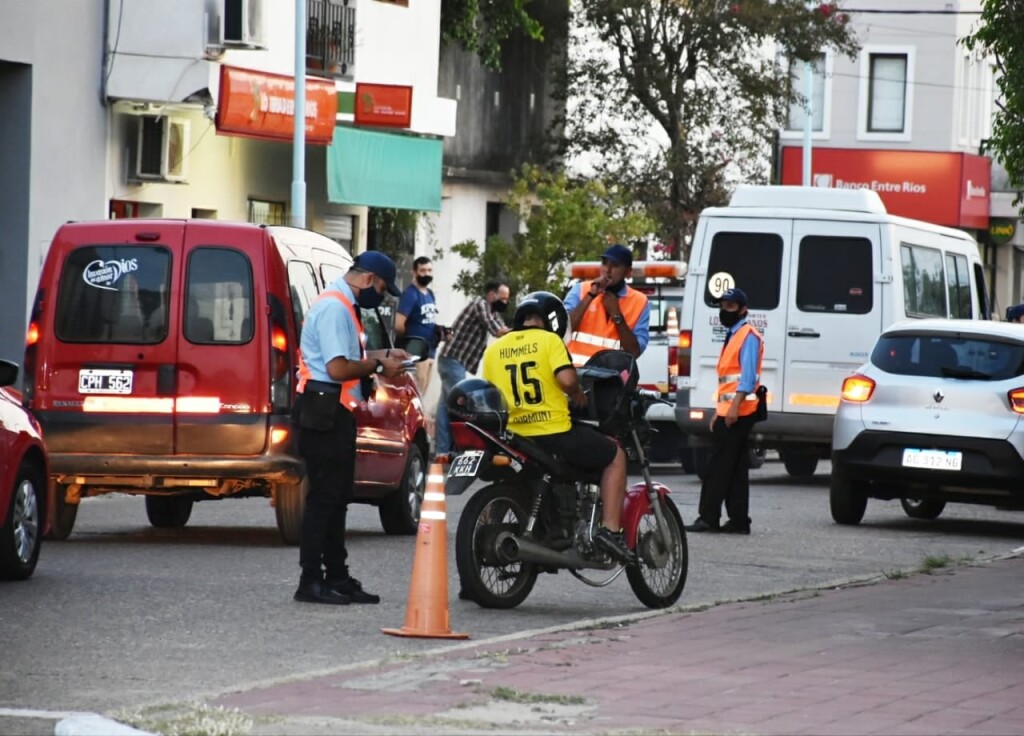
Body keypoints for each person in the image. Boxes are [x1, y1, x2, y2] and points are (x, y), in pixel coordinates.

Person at [291, 251, 411, 605]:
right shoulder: (334, 307)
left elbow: (347, 358)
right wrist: (379, 367)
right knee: (323, 500)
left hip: (334, 412)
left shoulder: (344, 304)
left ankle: (337, 577)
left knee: (337, 499)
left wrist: (384, 356)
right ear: (370, 279)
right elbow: (338, 369)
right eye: (383, 288)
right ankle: (310, 581)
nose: (381, 296)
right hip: (322, 412)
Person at [481, 292, 633, 562]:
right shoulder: (549, 340)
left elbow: (492, 392)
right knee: (616, 456)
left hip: (514, 435)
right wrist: (577, 393)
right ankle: (610, 531)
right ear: (555, 321)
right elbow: (566, 379)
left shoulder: (495, 348)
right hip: (553, 432)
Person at [685, 287, 764, 536]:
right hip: (733, 411)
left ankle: (708, 518)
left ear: (743, 310)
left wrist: (732, 409)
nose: (724, 311)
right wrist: (718, 412)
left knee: (717, 467)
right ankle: (739, 520)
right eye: (722, 306)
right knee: (736, 467)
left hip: (739, 412)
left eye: (730, 306)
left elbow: (747, 379)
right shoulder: (734, 334)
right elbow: (728, 383)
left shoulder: (747, 335)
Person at [433, 281, 512, 458]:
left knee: (446, 407)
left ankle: (442, 452)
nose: (505, 303)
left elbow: (501, 329)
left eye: (507, 299)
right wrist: (522, 331)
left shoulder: (493, 312)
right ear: (491, 295)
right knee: (460, 405)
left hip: (454, 361)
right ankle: (454, 451)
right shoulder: (480, 305)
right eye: (502, 298)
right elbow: (498, 331)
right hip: (452, 360)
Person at [564, 243, 651, 365]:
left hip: (612, 376)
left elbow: (634, 352)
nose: (607, 270)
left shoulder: (640, 302)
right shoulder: (581, 290)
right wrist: (590, 296)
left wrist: (616, 315)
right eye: (604, 263)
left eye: (615, 265)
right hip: (576, 373)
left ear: (628, 272)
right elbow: (563, 330)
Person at [395, 256, 440, 394]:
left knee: (423, 391)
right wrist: (409, 342)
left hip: (430, 349)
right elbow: (398, 324)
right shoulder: (410, 294)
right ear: (414, 272)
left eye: (429, 270)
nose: (427, 274)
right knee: (415, 392)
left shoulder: (430, 294)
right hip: (416, 350)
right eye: (423, 270)